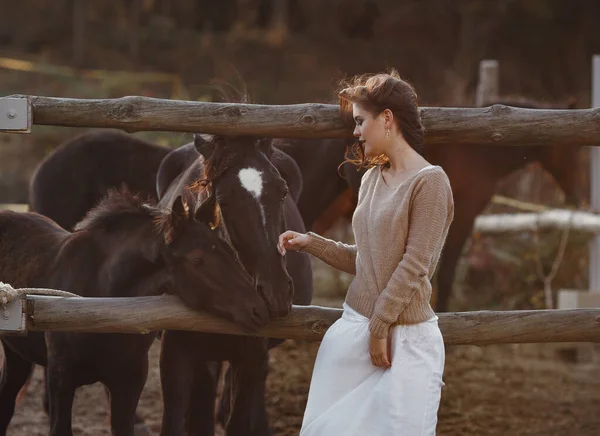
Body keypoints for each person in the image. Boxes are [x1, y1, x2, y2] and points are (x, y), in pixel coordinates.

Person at [277, 70, 454, 435]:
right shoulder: (372, 177)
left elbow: (416, 264)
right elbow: (369, 260)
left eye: (361, 122)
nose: (356, 132)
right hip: (354, 331)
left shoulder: (431, 183)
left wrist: (381, 324)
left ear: (386, 119)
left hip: (405, 342)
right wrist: (311, 242)